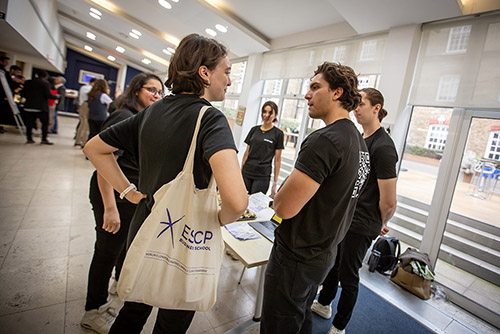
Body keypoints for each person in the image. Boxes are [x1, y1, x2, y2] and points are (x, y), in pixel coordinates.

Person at [83, 33, 248, 334]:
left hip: (145, 230)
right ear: (205, 72)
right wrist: (218, 221)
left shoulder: (151, 112)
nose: (229, 81)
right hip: (185, 238)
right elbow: (237, 202)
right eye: (227, 71)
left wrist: (129, 192)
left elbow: (94, 148)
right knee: (172, 320)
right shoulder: (211, 119)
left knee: (133, 310)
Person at [259, 62, 370, 334]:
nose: (306, 95)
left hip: (297, 256)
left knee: (281, 323)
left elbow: (283, 207)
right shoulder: (359, 142)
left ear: (337, 93)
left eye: (315, 87)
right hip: (323, 253)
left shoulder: (325, 140)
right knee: (300, 316)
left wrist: (282, 187)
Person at [80, 73, 164, 334]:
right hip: (113, 194)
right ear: (137, 90)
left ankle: (118, 283)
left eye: (160, 92)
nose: (156, 96)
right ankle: (93, 310)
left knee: (122, 246)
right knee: (106, 250)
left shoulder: (141, 116)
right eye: (151, 90)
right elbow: (103, 163)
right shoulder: (124, 116)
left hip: (128, 195)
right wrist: (110, 208)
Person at [311, 88, 398, 334]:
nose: (356, 108)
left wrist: (381, 220)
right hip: (348, 217)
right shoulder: (362, 139)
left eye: (361, 104)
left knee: (348, 275)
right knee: (333, 264)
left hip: (363, 224)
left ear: (376, 108)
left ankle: (340, 326)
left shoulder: (384, 147)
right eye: (355, 104)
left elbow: (389, 200)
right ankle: (324, 304)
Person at [241, 101, 284, 197]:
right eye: (264, 112)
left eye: (270, 112)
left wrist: (275, 183)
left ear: (276, 115)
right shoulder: (254, 130)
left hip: (262, 176)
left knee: (254, 207)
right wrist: (241, 170)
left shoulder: (278, 134)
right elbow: (246, 153)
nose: (266, 115)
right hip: (247, 172)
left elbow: (277, 160)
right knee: (241, 201)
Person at [21, 70, 58, 145]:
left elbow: (23, 94)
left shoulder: (28, 82)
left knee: (29, 124)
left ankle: (29, 139)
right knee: (44, 124)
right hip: (41, 107)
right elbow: (48, 95)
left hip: (29, 106)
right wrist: (56, 97)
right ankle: (44, 139)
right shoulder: (45, 84)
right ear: (45, 76)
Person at [75, 77, 96, 147]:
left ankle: (77, 140)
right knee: (86, 126)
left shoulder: (83, 87)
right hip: (87, 106)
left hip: (81, 105)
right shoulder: (90, 89)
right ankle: (84, 143)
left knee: (81, 124)